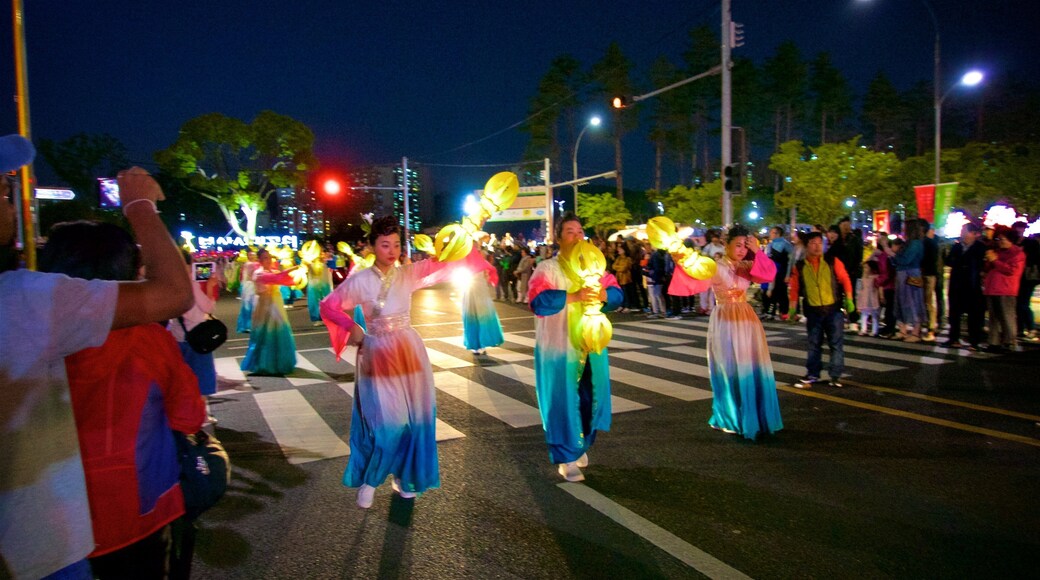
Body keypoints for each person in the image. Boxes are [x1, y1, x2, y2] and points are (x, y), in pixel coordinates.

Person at [0, 138, 193, 580]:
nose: (12, 205)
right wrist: (141, 205)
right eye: (1, 193)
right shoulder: (28, 305)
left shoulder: (34, 305)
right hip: (106, 520)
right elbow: (174, 296)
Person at [38, 221, 206, 579]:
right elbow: (189, 416)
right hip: (139, 507)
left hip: (45, 516)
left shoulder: (22, 330)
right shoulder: (147, 339)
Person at [320, 216, 484, 508]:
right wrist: (351, 327)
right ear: (372, 246)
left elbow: (448, 263)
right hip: (377, 353)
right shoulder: (360, 280)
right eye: (385, 244)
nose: (392, 250)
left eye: (396, 244)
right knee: (390, 423)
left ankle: (405, 478)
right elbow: (329, 306)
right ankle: (372, 478)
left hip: (408, 350)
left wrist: (471, 228)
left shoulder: (407, 274)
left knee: (416, 420)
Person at [528, 212, 623, 482]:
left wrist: (605, 294)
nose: (577, 235)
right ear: (558, 238)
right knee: (562, 400)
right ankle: (566, 456)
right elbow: (538, 301)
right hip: (560, 348)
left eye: (580, 231)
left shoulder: (595, 268)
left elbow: (617, 293)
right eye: (570, 231)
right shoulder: (548, 269)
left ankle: (579, 444)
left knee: (589, 397)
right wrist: (575, 296)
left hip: (591, 346)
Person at [676, 225, 783, 439]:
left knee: (751, 366)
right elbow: (695, 271)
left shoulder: (746, 266)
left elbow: (769, 273)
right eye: (738, 245)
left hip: (746, 319)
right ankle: (732, 417)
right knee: (729, 367)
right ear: (726, 244)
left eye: (746, 245)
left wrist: (758, 251)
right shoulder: (716, 267)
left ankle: (757, 417)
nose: (742, 250)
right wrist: (680, 254)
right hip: (725, 319)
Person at [789, 231, 854, 388]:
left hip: (833, 309)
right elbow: (794, 289)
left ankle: (835, 375)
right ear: (807, 246)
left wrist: (850, 299)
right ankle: (813, 374)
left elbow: (845, 279)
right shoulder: (800, 266)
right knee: (814, 344)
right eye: (813, 243)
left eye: (820, 243)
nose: (817, 246)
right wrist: (792, 309)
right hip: (813, 311)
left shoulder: (832, 261)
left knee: (836, 344)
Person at [170, 249, 220, 423]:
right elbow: (207, 307)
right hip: (196, 338)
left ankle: (186, 413)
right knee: (201, 379)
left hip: (177, 337)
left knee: (184, 380)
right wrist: (210, 287)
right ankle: (200, 416)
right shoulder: (189, 284)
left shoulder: (168, 284)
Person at [240, 248, 301, 375]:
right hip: (264, 306)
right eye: (265, 258)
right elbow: (276, 278)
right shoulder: (259, 274)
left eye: (269, 257)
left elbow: (288, 281)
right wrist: (293, 269)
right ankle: (263, 364)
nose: (268, 260)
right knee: (265, 334)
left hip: (276, 305)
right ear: (260, 260)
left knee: (280, 333)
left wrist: (298, 275)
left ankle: (280, 363)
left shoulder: (273, 270)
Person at [881, 221, 925, 342]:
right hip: (903, 275)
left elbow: (904, 260)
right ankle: (903, 330)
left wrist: (888, 250)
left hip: (910, 275)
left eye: (905, 228)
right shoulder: (909, 243)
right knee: (902, 302)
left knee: (913, 302)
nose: (903, 230)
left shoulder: (915, 244)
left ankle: (915, 332)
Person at [983, 227, 1025, 352]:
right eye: (998, 239)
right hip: (992, 288)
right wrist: (989, 260)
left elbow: (1011, 270)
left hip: (1006, 290)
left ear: (1010, 239)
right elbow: (987, 268)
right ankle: (993, 342)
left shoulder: (1017, 253)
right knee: (993, 318)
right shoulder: (997, 251)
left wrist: (995, 260)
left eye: (1003, 239)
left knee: (1007, 317)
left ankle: (1010, 341)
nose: (1000, 241)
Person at [944, 223, 986, 349]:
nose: (962, 233)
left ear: (974, 234)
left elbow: (980, 265)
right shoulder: (957, 246)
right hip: (956, 284)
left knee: (974, 315)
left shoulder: (980, 247)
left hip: (972, 285)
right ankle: (954, 338)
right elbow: (949, 261)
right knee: (954, 313)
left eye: (964, 231)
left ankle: (974, 341)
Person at [461, 255, 504, 355]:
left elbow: (489, 273)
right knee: (476, 316)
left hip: (479, 291)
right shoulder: (468, 262)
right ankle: (478, 344)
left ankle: (480, 344)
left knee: (480, 316)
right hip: (472, 291)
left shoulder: (481, 262)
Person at [1011, 221, 1040, 341]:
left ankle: (1031, 328)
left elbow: (1036, 258)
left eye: (1021, 228)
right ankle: (1020, 329)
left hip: (1027, 277)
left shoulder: (1030, 243)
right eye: (1017, 228)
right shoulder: (1011, 242)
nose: (1019, 230)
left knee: (1023, 303)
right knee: (1017, 304)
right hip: (1014, 277)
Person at [762, 225, 794, 321]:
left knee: (780, 292)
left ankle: (783, 312)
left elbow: (790, 261)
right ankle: (768, 311)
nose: (770, 234)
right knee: (768, 291)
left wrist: (788, 274)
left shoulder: (785, 244)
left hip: (780, 272)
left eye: (772, 232)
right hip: (769, 271)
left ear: (778, 234)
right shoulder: (769, 245)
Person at [920, 220, 940, 341]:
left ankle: (931, 328)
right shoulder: (930, 243)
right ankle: (930, 326)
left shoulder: (927, 243)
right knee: (927, 302)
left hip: (927, 275)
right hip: (929, 274)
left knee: (928, 302)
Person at [306, 248, 334, 326]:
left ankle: (328, 318)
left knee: (326, 301)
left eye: (322, 252)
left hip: (325, 286)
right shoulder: (310, 264)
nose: (321, 254)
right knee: (315, 302)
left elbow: (333, 266)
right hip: (314, 286)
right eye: (320, 253)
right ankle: (318, 318)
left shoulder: (327, 262)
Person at [857, 260, 882, 336]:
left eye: (866, 268)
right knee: (864, 314)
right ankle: (863, 329)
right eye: (864, 268)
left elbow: (879, 287)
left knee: (874, 315)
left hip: (873, 298)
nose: (865, 269)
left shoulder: (875, 278)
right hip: (865, 298)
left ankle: (874, 331)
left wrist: (881, 296)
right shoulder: (863, 278)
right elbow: (860, 289)